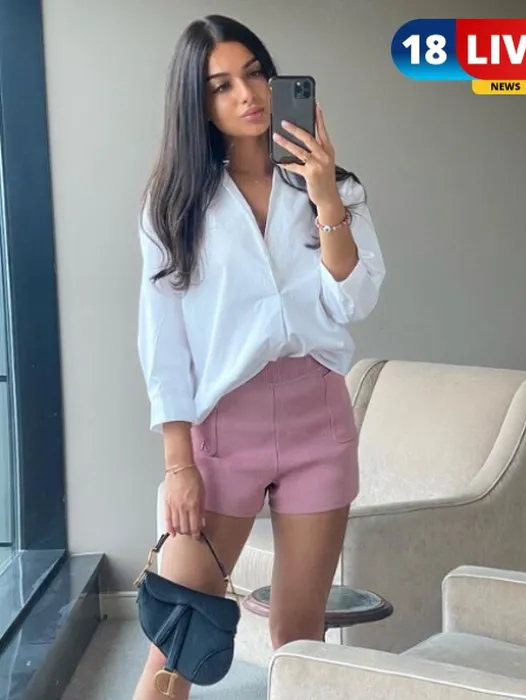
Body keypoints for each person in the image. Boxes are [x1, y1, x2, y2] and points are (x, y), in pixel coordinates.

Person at [132, 13, 385, 700]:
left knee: (299, 638)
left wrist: (325, 197)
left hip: (317, 422)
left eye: (254, 74)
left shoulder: (337, 189)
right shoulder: (174, 204)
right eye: (221, 85)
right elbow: (164, 343)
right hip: (221, 430)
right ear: (197, 104)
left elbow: (354, 300)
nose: (246, 94)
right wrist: (178, 466)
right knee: (178, 640)